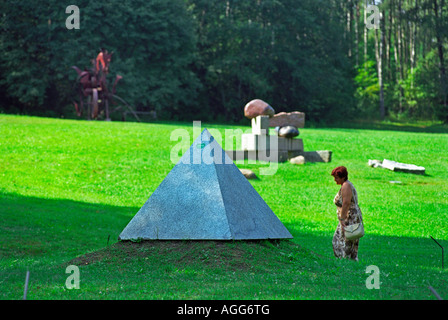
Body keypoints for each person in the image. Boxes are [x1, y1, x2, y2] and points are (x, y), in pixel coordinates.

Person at [331, 166, 363, 261]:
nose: (335, 180)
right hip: (348, 216)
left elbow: (346, 203)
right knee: (346, 240)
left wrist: (342, 219)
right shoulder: (345, 185)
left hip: (349, 217)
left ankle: (345, 260)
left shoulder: (346, 186)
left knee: (342, 240)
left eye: (336, 177)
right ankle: (348, 260)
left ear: (343, 177)